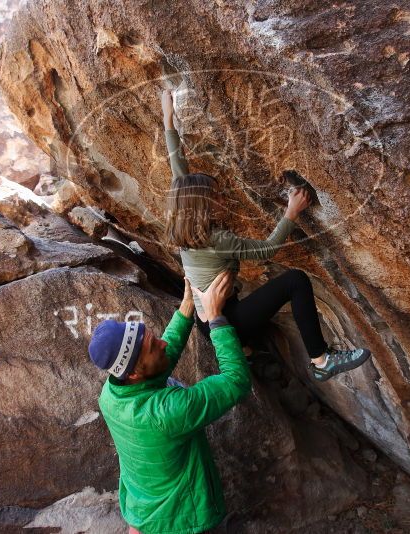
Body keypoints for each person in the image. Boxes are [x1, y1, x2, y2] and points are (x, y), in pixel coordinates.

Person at [161, 88, 371, 381]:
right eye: (215, 197)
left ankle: (250, 355)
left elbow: (179, 174)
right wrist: (291, 213)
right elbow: (267, 250)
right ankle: (322, 361)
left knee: (244, 314)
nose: (221, 199)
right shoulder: (217, 240)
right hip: (227, 322)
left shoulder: (184, 226)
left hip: (206, 319)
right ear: (203, 205)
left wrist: (168, 120)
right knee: (296, 281)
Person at [90, 271, 249, 534]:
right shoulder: (167, 412)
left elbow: (156, 365)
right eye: (154, 346)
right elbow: (236, 381)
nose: (163, 343)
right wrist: (216, 319)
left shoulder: (112, 394)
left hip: (143, 514)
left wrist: (186, 308)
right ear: (134, 373)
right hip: (182, 522)